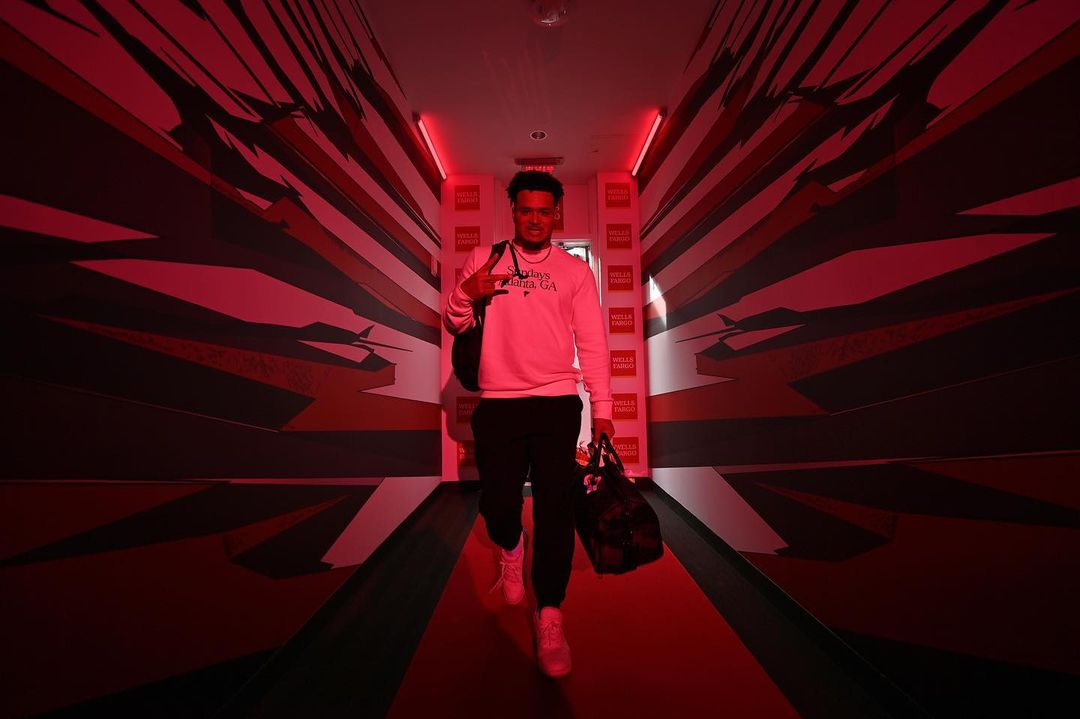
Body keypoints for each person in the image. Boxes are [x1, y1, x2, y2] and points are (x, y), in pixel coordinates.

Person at [444, 171, 614, 678]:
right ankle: (512, 547)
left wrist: (603, 409)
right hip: (499, 403)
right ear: (513, 211)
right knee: (498, 504)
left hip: (557, 403)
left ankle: (551, 614)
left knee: (556, 512)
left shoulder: (574, 271)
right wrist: (466, 292)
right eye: (526, 210)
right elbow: (455, 322)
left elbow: (594, 343)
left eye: (544, 211)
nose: (535, 219)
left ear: (556, 213)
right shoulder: (486, 257)